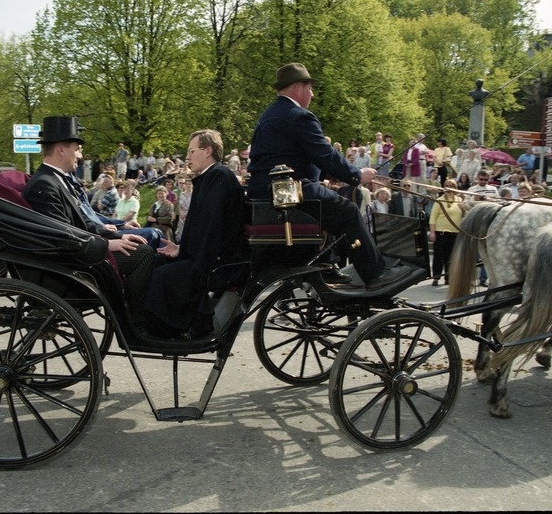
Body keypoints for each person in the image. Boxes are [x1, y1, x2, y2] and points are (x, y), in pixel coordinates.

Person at [246, 62, 413, 289]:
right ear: (297, 88)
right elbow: (325, 154)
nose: (312, 94)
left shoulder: (270, 114)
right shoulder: (299, 116)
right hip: (289, 191)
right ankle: (375, 273)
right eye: (310, 88)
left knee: (328, 203)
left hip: (269, 190)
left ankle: (326, 267)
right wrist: (357, 174)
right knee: (347, 211)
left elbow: (297, 155)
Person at [22, 117, 155, 337]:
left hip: (79, 251)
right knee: (143, 254)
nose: (81, 156)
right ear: (61, 149)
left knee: (144, 242)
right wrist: (108, 244)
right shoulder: (44, 185)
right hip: (69, 262)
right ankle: (136, 326)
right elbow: (62, 236)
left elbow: (80, 223)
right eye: (77, 149)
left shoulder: (55, 180)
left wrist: (113, 233)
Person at [144, 129, 247, 339]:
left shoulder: (219, 176)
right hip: (202, 255)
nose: (187, 157)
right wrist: (181, 248)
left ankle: (166, 331)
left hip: (216, 263)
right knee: (152, 262)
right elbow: (202, 226)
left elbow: (213, 229)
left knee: (162, 276)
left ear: (207, 150)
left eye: (191, 151)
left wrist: (195, 264)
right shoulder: (209, 177)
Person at [429, 178, 463, 286]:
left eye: (452, 186)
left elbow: (464, 215)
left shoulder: (459, 200)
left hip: (455, 232)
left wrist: (464, 208)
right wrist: (432, 232)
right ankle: (436, 277)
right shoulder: (439, 200)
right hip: (441, 231)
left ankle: (448, 277)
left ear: (455, 188)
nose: (449, 188)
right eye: (447, 185)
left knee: (451, 256)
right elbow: (432, 218)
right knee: (439, 255)